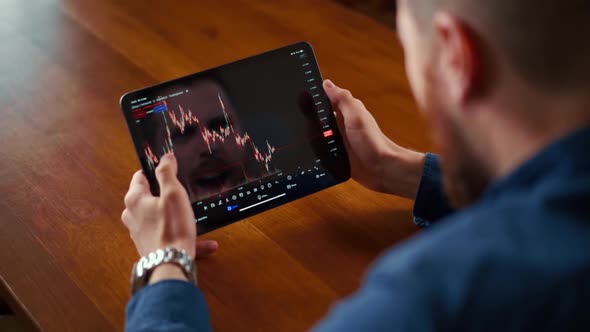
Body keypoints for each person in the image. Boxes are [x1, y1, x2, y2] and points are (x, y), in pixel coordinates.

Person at [121, 0, 590, 330]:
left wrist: (166, 267)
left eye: (410, 46)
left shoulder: (427, 301)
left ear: (455, 58)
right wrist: (396, 170)